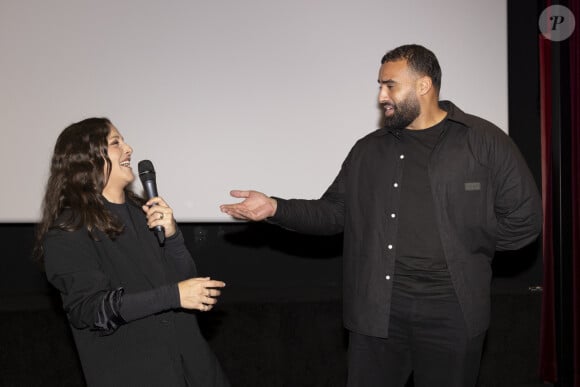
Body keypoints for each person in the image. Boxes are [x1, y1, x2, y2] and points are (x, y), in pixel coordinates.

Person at [220, 44, 542, 387]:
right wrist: (275, 207)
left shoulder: (483, 141)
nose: (381, 96)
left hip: (453, 312)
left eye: (390, 85)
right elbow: (334, 212)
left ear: (423, 85)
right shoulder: (368, 149)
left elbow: (524, 220)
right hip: (379, 311)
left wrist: (467, 251)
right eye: (379, 85)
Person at [34, 118, 230, 387]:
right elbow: (92, 310)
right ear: (86, 158)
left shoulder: (145, 215)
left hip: (197, 374)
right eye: (116, 142)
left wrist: (173, 238)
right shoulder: (68, 232)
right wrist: (173, 295)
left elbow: (187, 283)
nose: (129, 149)